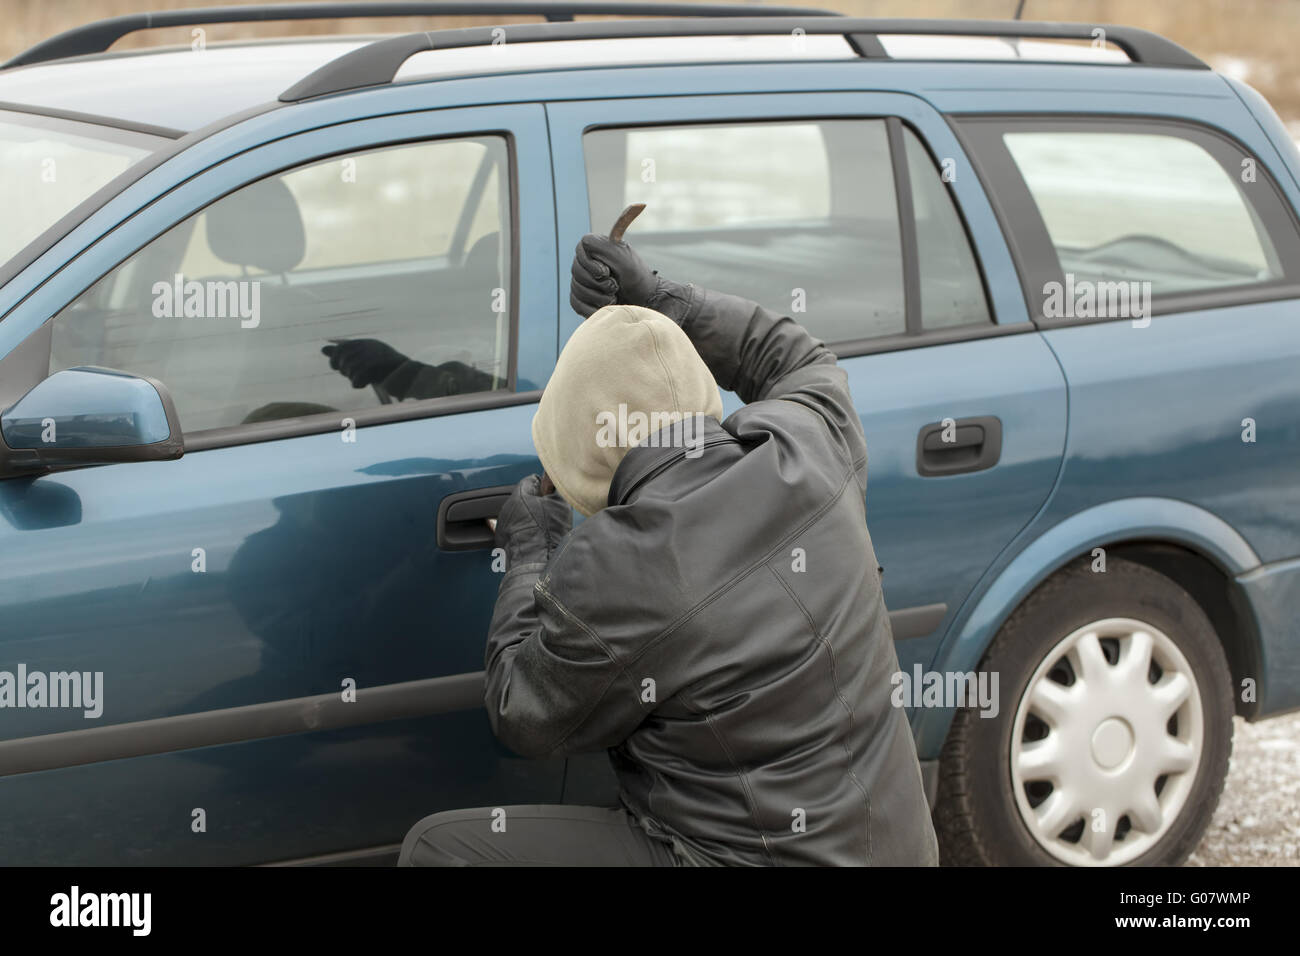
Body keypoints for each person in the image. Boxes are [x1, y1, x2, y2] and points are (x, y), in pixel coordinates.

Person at [398, 233, 939, 866]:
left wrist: (530, 552)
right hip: (900, 851)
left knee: (440, 849)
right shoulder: (810, 447)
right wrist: (661, 298)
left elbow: (522, 711)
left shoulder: (616, 569)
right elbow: (794, 356)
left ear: (582, 455)